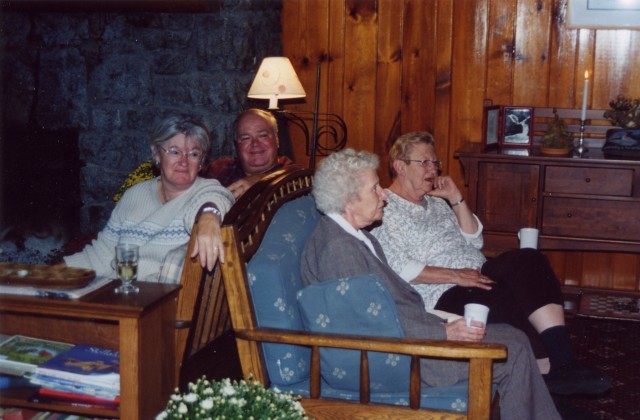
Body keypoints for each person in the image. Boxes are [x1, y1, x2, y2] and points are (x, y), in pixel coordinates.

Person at [301, 148, 561, 419]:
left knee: (512, 335)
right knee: (512, 349)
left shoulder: (354, 235)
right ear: (349, 200)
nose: (383, 194)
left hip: (405, 336)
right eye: (374, 188)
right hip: (395, 359)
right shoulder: (339, 248)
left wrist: (438, 322)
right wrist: (443, 332)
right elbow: (369, 325)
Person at [370, 131, 611, 396]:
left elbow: (474, 240)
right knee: (509, 296)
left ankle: (561, 364)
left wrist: (455, 198)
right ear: (400, 166)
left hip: (477, 271)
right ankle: (552, 371)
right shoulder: (384, 209)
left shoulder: (436, 203)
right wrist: (457, 276)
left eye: (435, 162)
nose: (433, 169)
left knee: (528, 259)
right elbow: (399, 268)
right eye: (424, 162)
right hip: (443, 292)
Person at [63, 114, 234, 281]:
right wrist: (57, 271)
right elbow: (103, 253)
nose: (184, 161)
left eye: (194, 154)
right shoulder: (134, 194)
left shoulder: (204, 190)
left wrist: (209, 217)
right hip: (120, 288)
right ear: (157, 153)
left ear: (201, 161)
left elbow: (219, 197)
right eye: (175, 152)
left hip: (160, 295)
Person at [200, 108, 295, 198]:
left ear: (277, 140)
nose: (255, 143)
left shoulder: (291, 174)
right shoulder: (218, 169)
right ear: (236, 145)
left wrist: (264, 181)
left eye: (263, 135)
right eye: (246, 138)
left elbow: (296, 179)